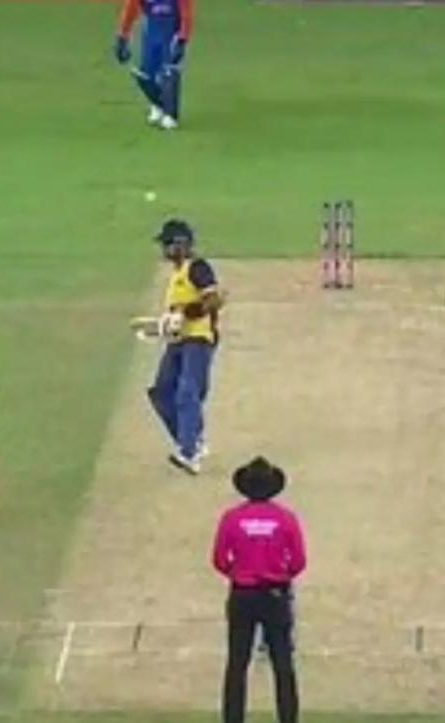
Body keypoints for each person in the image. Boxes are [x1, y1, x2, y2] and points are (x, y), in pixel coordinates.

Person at [212, 457, 306, 723]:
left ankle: (233, 719)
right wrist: (281, 575)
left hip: (243, 595)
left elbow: (219, 559)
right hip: (275, 595)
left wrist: (238, 573)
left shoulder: (232, 518)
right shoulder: (285, 518)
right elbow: (299, 560)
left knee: (237, 663)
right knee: (283, 663)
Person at [146, 218, 223, 475]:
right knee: (161, 392)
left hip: (198, 339)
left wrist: (187, 314)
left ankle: (189, 452)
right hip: (178, 341)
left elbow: (214, 300)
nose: (164, 250)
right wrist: (165, 324)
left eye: (167, 244)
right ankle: (193, 437)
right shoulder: (176, 274)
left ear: (181, 244)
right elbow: (176, 313)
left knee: (187, 392)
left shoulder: (197, 267)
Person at [113, 0, 193, 131]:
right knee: (145, 73)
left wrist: (183, 38)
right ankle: (157, 104)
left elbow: (186, 12)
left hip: (171, 31)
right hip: (151, 31)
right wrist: (122, 37)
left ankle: (171, 115)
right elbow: (131, 10)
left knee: (169, 70)